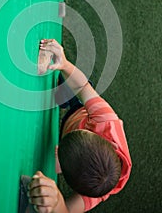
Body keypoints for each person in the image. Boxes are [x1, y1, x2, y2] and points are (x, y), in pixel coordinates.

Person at [27, 39, 132, 213]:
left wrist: (57, 201)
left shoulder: (96, 191)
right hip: (78, 109)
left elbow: (66, 210)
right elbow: (82, 86)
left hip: (67, 147)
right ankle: (62, 97)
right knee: (71, 83)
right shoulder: (107, 122)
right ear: (97, 134)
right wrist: (64, 63)